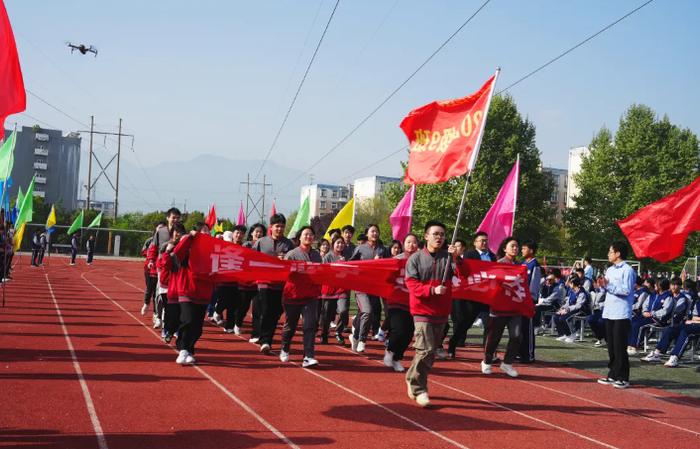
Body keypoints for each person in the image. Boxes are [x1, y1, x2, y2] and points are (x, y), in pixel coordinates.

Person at [405, 221, 458, 407]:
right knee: (425, 349)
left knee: (431, 351)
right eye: (435, 234)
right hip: (422, 310)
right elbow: (411, 284)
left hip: (441, 311)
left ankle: (412, 377)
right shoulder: (416, 259)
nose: (439, 237)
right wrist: (432, 291)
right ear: (426, 236)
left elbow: (464, 275)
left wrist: (458, 258)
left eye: (442, 234)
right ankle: (420, 388)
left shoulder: (449, 258)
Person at [162, 224, 214, 364]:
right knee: (188, 320)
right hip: (186, 290)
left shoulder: (213, 249)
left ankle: (189, 350)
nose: (205, 234)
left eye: (207, 232)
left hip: (204, 293)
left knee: (197, 327)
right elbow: (177, 253)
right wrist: (189, 238)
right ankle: (183, 349)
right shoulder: (188, 245)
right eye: (202, 231)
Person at [448, 231, 496, 358]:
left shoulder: (492, 256)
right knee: (465, 323)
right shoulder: (470, 254)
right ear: (475, 243)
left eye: (486, 240)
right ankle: (453, 343)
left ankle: (489, 353)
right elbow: (466, 271)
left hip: (487, 295)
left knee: (489, 324)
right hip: (473, 294)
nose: (484, 242)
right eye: (481, 240)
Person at [280, 226, 322, 368]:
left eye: (311, 235)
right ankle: (285, 347)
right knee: (290, 326)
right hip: (293, 295)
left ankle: (308, 356)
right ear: (299, 237)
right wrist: (303, 268)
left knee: (309, 326)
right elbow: (285, 273)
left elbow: (321, 272)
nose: (308, 237)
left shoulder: (317, 255)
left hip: (310, 296)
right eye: (306, 234)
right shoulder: (292, 254)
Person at [597, 241, 636, 389]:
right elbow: (606, 289)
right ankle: (613, 373)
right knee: (611, 346)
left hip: (621, 313)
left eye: (611, 251)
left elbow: (626, 290)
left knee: (620, 347)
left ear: (618, 253)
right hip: (609, 311)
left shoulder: (627, 270)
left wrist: (609, 286)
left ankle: (623, 377)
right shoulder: (610, 270)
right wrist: (601, 286)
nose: (608, 254)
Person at [252, 213, 294, 354]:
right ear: (271, 227)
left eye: (282, 226)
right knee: (266, 311)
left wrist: (285, 260)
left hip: (281, 284)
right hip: (264, 283)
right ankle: (265, 341)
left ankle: (266, 337)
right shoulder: (261, 242)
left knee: (276, 313)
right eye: (277, 226)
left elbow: (293, 263)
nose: (279, 229)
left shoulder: (288, 244)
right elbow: (251, 259)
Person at [482, 236, 522, 378]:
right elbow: (491, 285)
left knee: (516, 336)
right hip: (499, 308)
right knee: (494, 337)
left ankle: (507, 363)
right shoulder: (498, 264)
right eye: (512, 246)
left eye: (517, 246)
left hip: (514, 308)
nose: (515, 248)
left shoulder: (520, 265)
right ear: (505, 248)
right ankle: (487, 361)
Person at [383, 233, 419, 373]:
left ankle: (397, 358)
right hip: (396, 300)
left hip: (413, 301)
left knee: (409, 334)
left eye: (414, 242)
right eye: (408, 242)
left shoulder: (420, 260)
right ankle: (390, 351)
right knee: (399, 329)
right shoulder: (396, 260)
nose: (411, 245)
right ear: (404, 244)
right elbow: (386, 278)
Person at [349, 224, 386, 353]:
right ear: (367, 234)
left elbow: (389, 265)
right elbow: (351, 264)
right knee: (367, 311)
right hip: (361, 287)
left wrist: (381, 263)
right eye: (372, 231)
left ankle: (354, 335)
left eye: (377, 231)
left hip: (375, 287)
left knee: (365, 314)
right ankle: (362, 340)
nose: (375, 234)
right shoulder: (360, 249)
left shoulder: (382, 250)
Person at [628, 278, 674, 354]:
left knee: (638, 325)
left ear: (661, 285)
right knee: (632, 321)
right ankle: (629, 344)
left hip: (659, 319)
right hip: (648, 316)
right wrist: (645, 311)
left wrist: (652, 314)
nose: (655, 285)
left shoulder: (668, 296)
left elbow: (665, 310)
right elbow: (645, 304)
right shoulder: (653, 294)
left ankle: (634, 345)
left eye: (657, 284)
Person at [158, 223, 186, 343]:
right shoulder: (166, 246)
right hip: (166, 284)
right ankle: (167, 330)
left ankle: (174, 330)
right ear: (172, 232)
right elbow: (162, 264)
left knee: (179, 311)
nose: (178, 234)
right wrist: (168, 252)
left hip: (180, 284)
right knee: (169, 310)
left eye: (180, 231)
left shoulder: (185, 247)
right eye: (176, 231)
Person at [320, 236, 348, 345]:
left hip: (342, 289)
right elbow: (324, 271)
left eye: (342, 243)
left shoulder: (346, 256)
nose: (340, 245)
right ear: (333, 244)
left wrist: (345, 265)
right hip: (329, 289)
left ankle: (338, 332)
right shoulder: (328, 257)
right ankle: (324, 334)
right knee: (327, 313)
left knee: (343, 310)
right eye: (338, 243)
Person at [518, 240, 542, 363]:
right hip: (519, 299)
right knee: (519, 327)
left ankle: (529, 354)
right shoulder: (522, 263)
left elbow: (534, 285)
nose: (521, 250)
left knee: (528, 327)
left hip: (528, 301)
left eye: (524, 248)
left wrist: (532, 300)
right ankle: (520, 352)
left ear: (531, 251)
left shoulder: (535, 265)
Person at [241, 223, 266, 337]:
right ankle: (238, 322)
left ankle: (257, 332)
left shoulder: (266, 246)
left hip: (261, 281)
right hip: (247, 281)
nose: (259, 233)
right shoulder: (246, 245)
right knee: (244, 305)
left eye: (261, 232)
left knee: (259, 308)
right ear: (251, 233)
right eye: (256, 231)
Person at [553, 277, 588, 343]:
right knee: (556, 316)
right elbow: (568, 303)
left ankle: (572, 335)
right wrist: (562, 308)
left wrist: (567, 309)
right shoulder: (572, 291)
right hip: (571, 309)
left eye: (570, 283)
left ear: (574, 284)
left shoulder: (581, 293)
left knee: (564, 319)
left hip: (580, 311)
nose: (569, 284)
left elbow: (578, 305)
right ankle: (563, 334)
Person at [533, 269, 565, 333]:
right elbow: (539, 293)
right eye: (547, 279)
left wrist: (541, 301)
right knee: (534, 306)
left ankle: (536, 326)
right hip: (546, 304)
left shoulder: (558, 287)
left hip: (555, 305)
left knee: (537, 308)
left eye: (550, 280)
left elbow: (551, 298)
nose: (548, 281)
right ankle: (536, 325)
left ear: (554, 280)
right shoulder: (545, 286)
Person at [587, 275, 607, 347]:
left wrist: (599, 305)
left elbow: (608, 301)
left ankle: (605, 338)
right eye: (597, 281)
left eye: (599, 281)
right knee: (590, 319)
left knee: (601, 322)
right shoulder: (595, 291)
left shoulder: (605, 290)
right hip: (598, 311)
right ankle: (600, 338)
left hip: (606, 310)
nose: (596, 283)